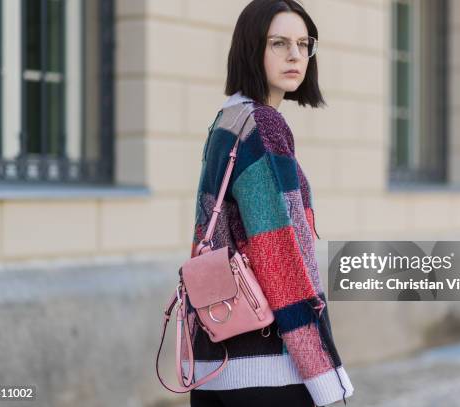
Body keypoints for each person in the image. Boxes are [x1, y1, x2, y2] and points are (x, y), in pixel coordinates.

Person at [186, 1, 354, 406]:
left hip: (214, 358)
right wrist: (324, 374)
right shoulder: (263, 124)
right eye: (279, 43)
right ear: (250, 49)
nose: (296, 55)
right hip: (268, 369)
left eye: (303, 43)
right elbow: (281, 256)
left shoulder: (226, 121)